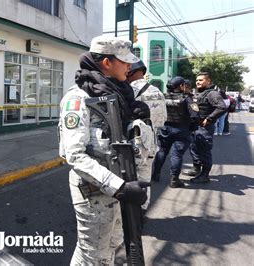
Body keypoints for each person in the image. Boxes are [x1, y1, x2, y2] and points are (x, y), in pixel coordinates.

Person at [58, 36, 150, 265]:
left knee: (111, 244)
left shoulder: (120, 94)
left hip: (120, 187)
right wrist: (120, 187)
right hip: (95, 192)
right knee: (93, 255)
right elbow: (75, 155)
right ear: (107, 63)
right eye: (124, 61)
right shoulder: (78, 98)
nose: (130, 66)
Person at [126, 60, 166, 209]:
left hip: (132, 143)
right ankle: (142, 209)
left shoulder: (128, 90)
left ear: (129, 71)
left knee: (129, 179)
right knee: (144, 178)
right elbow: (162, 120)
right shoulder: (157, 91)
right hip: (151, 143)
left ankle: (130, 213)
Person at [151, 77, 199, 188]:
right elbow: (195, 115)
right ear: (181, 86)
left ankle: (155, 175)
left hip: (165, 128)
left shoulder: (163, 96)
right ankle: (174, 180)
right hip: (182, 130)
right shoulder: (188, 98)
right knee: (176, 155)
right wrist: (192, 128)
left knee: (162, 151)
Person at [183, 72, 226, 183]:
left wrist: (209, 119)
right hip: (195, 126)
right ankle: (196, 168)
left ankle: (205, 175)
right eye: (197, 80)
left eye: (201, 80)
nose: (198, 82)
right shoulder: (199, 93)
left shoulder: (212, 93)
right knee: (193, 148)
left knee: (204, 150)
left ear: (208, 81)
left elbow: (221, 107)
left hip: (204, 127)